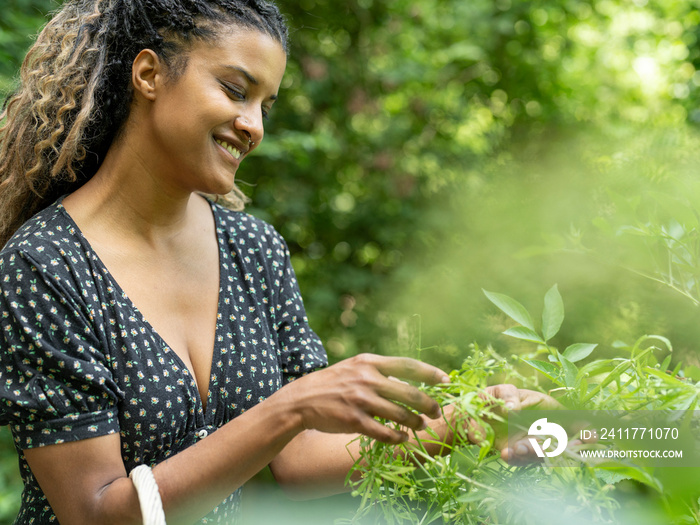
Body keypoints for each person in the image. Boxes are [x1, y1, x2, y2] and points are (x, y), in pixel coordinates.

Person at [0, 1, 554, 523]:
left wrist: (461, 423)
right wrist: (290, 408)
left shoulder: (252, 250)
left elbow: (299, 459)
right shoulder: (46, 266)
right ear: (148, 74)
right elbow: (94, 512)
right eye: (235, 90)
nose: (254, 127)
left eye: (265, 106)